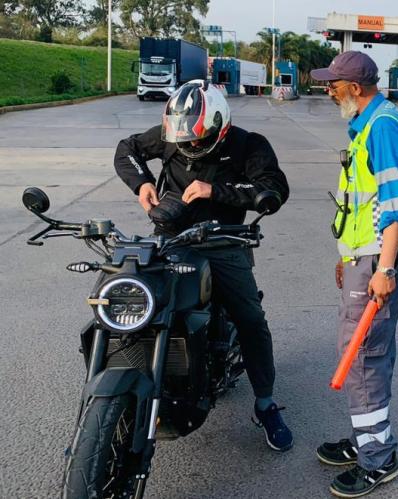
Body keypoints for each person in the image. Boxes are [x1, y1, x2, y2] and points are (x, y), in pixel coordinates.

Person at [114, 80, 293, 452]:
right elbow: (127, 149)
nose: (189, 147)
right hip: (171, 239)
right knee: (138, 306)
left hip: (223, 242)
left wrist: (216, 191)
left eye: (198, 140)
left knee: (250, 319)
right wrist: (142, 184)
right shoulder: (171, 136)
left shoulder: (248, 144)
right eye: (182, 141)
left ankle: (265, 403)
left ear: (219, 126)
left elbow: (273, 188)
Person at [310, 51, 398, 498]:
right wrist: (348, 255)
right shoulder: (370, 121)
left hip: (380, 258)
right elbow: (361, 204)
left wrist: (384, 267)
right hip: (366, 256)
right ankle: (367, 440)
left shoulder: (381, 128)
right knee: (369, 351)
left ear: (355, 88)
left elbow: (397, 205)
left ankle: (377, 457)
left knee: (363, 355)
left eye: (334, 84)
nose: (328, 89)